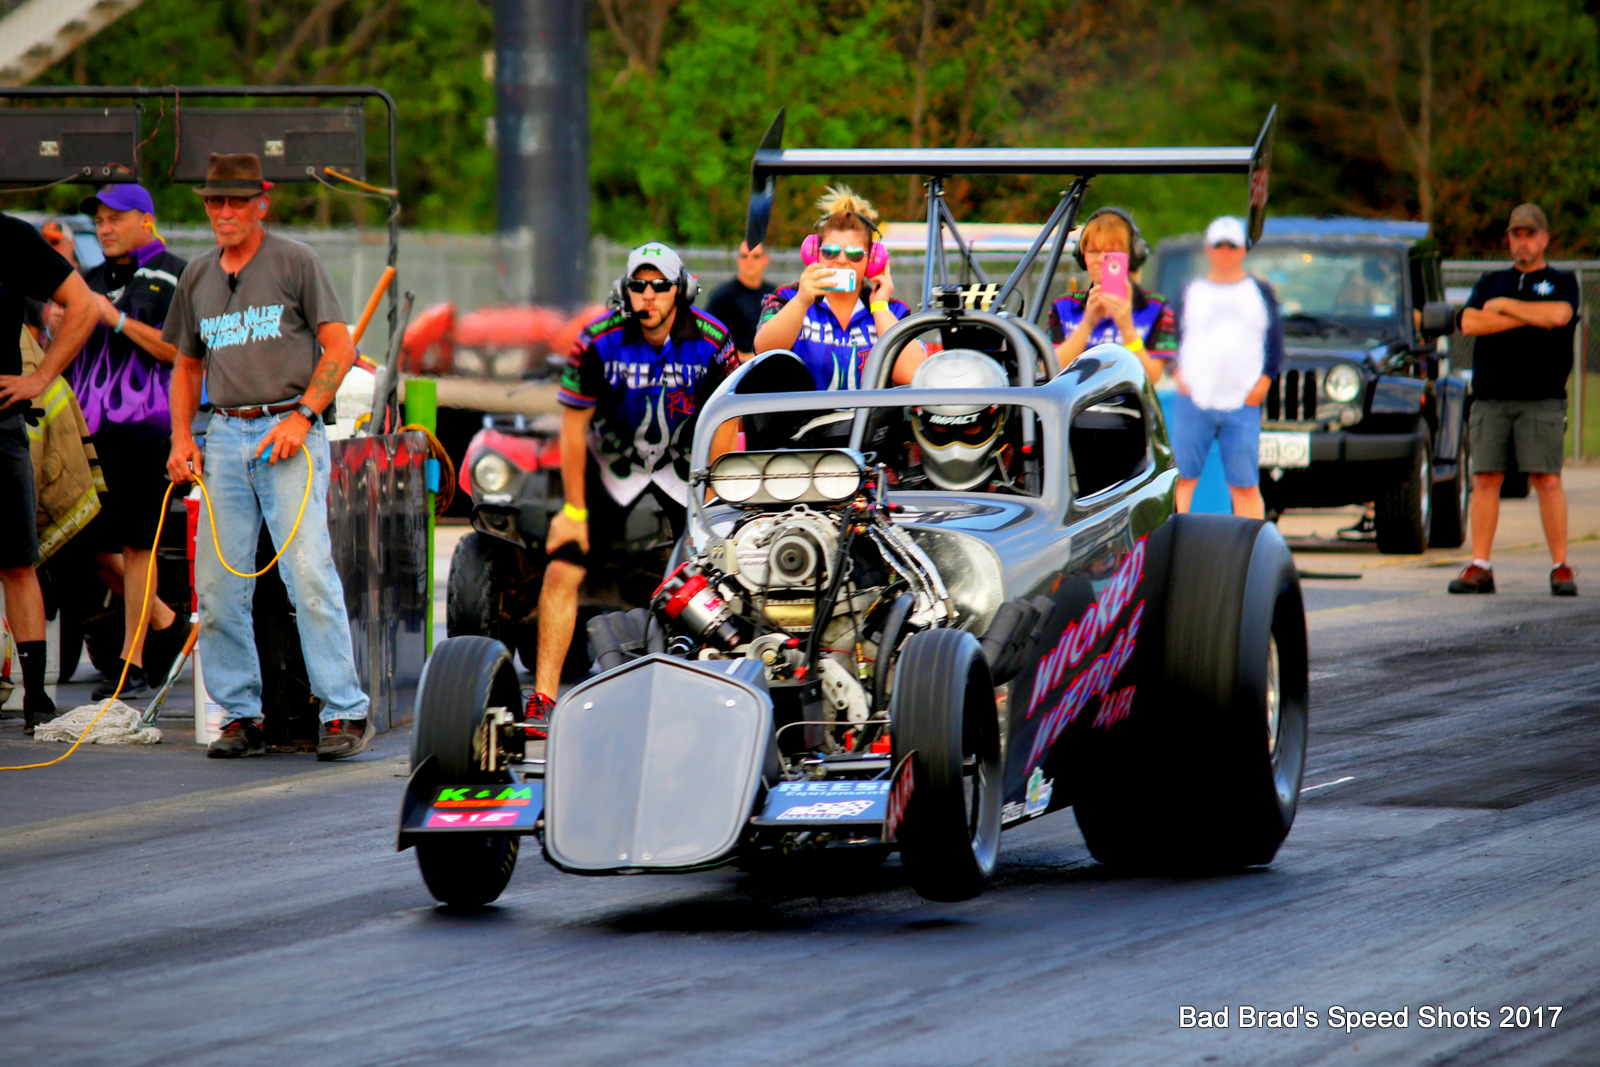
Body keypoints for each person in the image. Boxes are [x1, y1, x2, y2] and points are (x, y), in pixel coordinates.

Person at [161, 153, 372, 759]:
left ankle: (344, 711)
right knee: (219, 584)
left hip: (289, 425)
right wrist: (182, 438)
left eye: (235, 201)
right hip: (225, 432)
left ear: (262, 201)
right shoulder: (198, 275)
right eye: (213, 202)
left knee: (306, 571)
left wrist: (305, 416)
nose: (224, 212)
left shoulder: (295, 260)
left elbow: (340, 345)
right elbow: (187, 364)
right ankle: (240, 714)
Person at [531, 243, 738, 720]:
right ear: (626, 292)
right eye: (639, 285)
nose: (649, 295)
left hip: (685, 466)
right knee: (563, 565)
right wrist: (575, 511)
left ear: (680, 290)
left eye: (660, 285)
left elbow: (727, 416)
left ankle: (714, 693)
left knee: (721, 567)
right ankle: (542, 698)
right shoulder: (598, 339)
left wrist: (714, 497)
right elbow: (573, 425)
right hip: (614, 463)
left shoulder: (713, 338)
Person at [71, 184, 192, 699]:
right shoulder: (87, 279)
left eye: (115, 217)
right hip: (87, 436)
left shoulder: (175, 272)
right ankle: (170, 624)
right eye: (98, 219)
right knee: (87, 551)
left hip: (146, 432)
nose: (104, 227)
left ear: (146, 219)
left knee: (137, 547)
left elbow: (175, 350)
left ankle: (132, 667)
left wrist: (113, 316)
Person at [1449, 203, 1579, 596]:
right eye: (1515, 235)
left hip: (1542, 399)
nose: (1521, 242)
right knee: (1485, 477)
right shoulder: (1490, 281)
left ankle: (1560, 566)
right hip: (1491, 397)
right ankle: (1481, 564)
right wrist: (1529, 316)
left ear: (1544, 239)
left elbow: (1559, 315)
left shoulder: (1562, 280)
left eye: (1529, 234)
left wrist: (1505, 308)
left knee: (1546, 478)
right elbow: (1469, 322)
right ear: (1508, 240)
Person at [0, 213, 97, 733]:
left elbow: (83, 304)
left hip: (2, 423)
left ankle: (36, 696)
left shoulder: (10, 235)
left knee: (17, 559)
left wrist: (40, 376)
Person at [1167, 215, 1284, 519]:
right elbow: (1169, 337)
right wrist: (1177, 374)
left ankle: (1251, 553)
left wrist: (1264, 383)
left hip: (1242, 402)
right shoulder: (1191, 291)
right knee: (1181, 480)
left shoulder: (1260, 292)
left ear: (1243, 249)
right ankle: (1173, 547)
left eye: (1232, 246)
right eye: (1219, 245)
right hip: (1194, 400)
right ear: (1208, 249)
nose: (1225, 252)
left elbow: (1275, 342)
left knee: (1245, 485)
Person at [753, 185, 926, 388]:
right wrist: (801, 302)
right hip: (802, 419)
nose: (842, 260)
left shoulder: (894, 311)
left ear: (873, 260)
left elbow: (914, 374)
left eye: (854, 253)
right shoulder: (788, 297)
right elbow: (764, 354)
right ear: (814, 254)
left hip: (870, 420)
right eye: (830, 252)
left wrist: (880, 308)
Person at [1049, 207, 1173, 383]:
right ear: (1082, 256)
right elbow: (1052, 370)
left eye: (1110, 253)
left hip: (1128, 409)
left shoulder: (1156, 307)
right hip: (1077, 408)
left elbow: (1152, 378)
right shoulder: (1063, 306)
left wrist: (1127, 328)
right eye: (1093, 251)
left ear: (1131, 257)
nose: (1101, 259)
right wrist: (1087, 323)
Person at [704, 242, 775, 357]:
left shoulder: (774, 294)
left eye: (755, 256)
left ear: (765, 260)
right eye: (744, 256)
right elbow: (707, 332)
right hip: (735, 367)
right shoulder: (722, 295)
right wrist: (739, 357)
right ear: (738, 259)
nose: (749, 261)